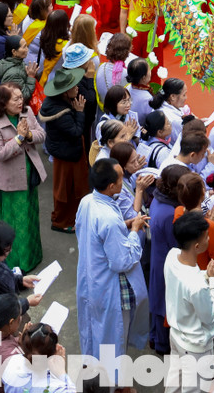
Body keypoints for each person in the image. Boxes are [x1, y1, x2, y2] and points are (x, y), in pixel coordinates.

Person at [75, 158, 149, 386]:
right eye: (120, 179)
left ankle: (93, 380)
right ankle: (114, 386)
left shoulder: (88, 201)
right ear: (111, 187)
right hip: (109, 288)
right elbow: (122, 261)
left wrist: (123, 225)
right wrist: (134, 231)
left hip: (90, 279)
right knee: (113, 340)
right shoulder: (107, 216)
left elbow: (89, 233)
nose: (122, 182)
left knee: (92, 333)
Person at [164, 210, 214, 393]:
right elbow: (209, 316)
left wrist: (207, 274)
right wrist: (213, 280)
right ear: (198, 246)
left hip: (176, 335)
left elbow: (186, 280)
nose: (209, 239)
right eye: (207, 237)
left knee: (174, 384)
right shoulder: (197, 284)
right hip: (196, 346)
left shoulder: (172, 255)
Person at [0, 83, 46, 272]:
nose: (21, 102)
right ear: (3, 103)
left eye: (21, 97)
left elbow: (41, 134)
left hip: (29, 175)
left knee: (29, 217)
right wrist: (18, 139)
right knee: (11, 223)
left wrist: (28, 134)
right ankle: (12, 263)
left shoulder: (27, 113)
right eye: (16, 99)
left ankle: (31, 256)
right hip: (8, 180)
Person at [41, 42, 90, 234]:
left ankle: (70, 217)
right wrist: (79, 112)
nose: (77, 89)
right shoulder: (61, 111)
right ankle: (61, 221)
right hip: (67, 154)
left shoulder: (59, 103)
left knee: (71, 189)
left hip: (67, 151)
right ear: (64, 91)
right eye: (74, 87)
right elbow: (77, 131)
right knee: (65, 191)